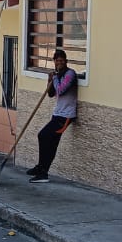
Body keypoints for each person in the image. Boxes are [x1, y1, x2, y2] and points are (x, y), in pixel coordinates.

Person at [28, 49, 78, 183]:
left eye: (61, 60)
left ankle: (43, 172)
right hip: (57, 114)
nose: (59, 63)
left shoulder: (70, 74)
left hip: (66, 116)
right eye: (57, 61)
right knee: (49, 141)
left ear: (66, 61)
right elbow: (51, 94)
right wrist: (49, 80)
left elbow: (60, 90)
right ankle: (41, 168)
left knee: (44, 136)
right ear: (54, 62)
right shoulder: (57, 75)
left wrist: (54, 78)